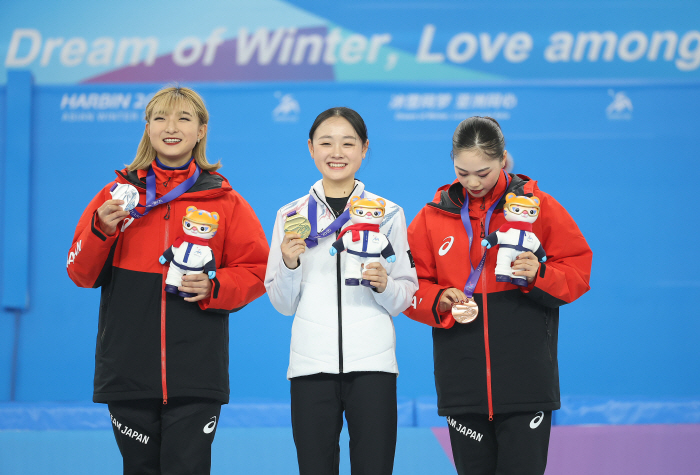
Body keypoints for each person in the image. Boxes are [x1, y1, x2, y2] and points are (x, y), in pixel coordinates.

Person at [66, 86, 269, 475]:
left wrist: (215, 287)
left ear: (201, 130)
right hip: (128, 369)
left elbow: (257, 270)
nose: (171, 127)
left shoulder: (225, 202)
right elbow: (80, 272)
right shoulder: (117, 196)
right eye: (160, 118)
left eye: (183, 118)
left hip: (196, 374)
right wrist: (100, 231)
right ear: (147, 127)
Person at [405, 116, 592, 475]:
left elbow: (578, 270)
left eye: (484, 172)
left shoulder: (538, 207)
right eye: (462, 172)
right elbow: (410, 286)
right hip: (463, 384)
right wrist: (438, 297)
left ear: (503, 159)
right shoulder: (432, 217)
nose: (473, 182)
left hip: (526, 382)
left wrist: (540, 275)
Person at [264, 107, 418, 475]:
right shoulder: (290, 216)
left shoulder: (388, 214)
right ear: (310, 148)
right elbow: (283, 304)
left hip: (374, 367)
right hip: (310, 367)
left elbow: (405, 295)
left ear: (364, 149)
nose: (337, 152)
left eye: (348, 143)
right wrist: (287, 263)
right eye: (326, 143)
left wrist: (384, 286)